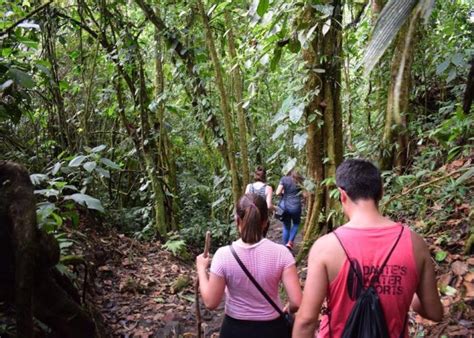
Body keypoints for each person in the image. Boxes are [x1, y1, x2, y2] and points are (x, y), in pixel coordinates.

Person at [292, 159, 443, 337]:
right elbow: (435, 312)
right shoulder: (415, 243)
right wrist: (409, 295)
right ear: (381, 192)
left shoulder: (326, 247)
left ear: (342, 195)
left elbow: (306, 321)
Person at [196, 193, 302, 338]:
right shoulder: (282, 253)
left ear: (237, 220)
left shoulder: (223, 255)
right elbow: (296, 301)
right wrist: (288, 309)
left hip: (234, 329)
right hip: (272, 328)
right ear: (265, 222)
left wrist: (201, 269)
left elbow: (211, 302)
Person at [276, 168, 304, 250]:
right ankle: (290, 242)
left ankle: (285, 247)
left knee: (286, 226)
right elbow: (305, 194)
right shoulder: (300, 180)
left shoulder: (284, 179)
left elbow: (277, 192)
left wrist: (283, 192)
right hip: (296, 206)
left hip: (285, 206)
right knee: (296, 224)